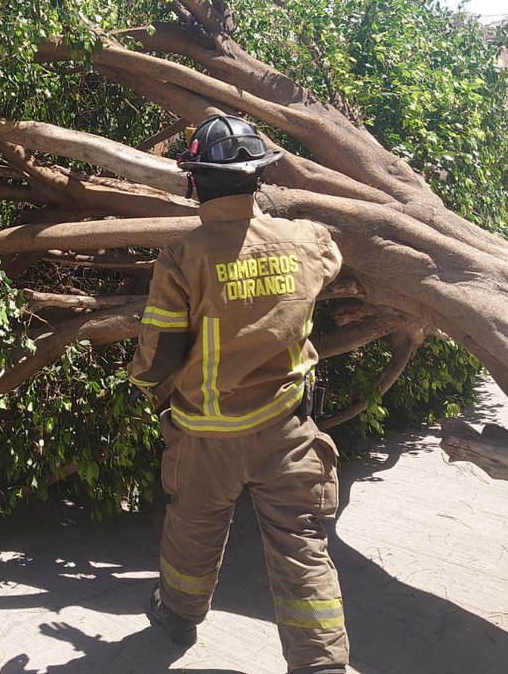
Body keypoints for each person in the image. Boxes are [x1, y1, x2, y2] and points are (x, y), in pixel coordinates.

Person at [127, 114, 348, 674]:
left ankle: (177, 619)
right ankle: (321, 667)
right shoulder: (307, 241)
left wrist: (144, 385)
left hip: (205, 436)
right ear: (259, 180)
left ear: (194, 183)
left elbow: (159, 357)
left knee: (193, 533)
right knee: (302, 551)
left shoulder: (182, 257)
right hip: (289, 431)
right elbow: (331, 265)